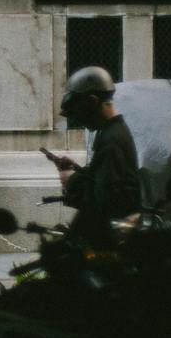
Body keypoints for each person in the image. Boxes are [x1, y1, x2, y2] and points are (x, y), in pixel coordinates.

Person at [43, 66, 142, 245]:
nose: (80, 121)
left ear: (92, 101)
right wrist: (76, 170)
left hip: (107, 242)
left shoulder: (112, 139)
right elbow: (103, 179)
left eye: (79, 113)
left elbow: (103, 201)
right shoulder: (110, 132)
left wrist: (71, 180)